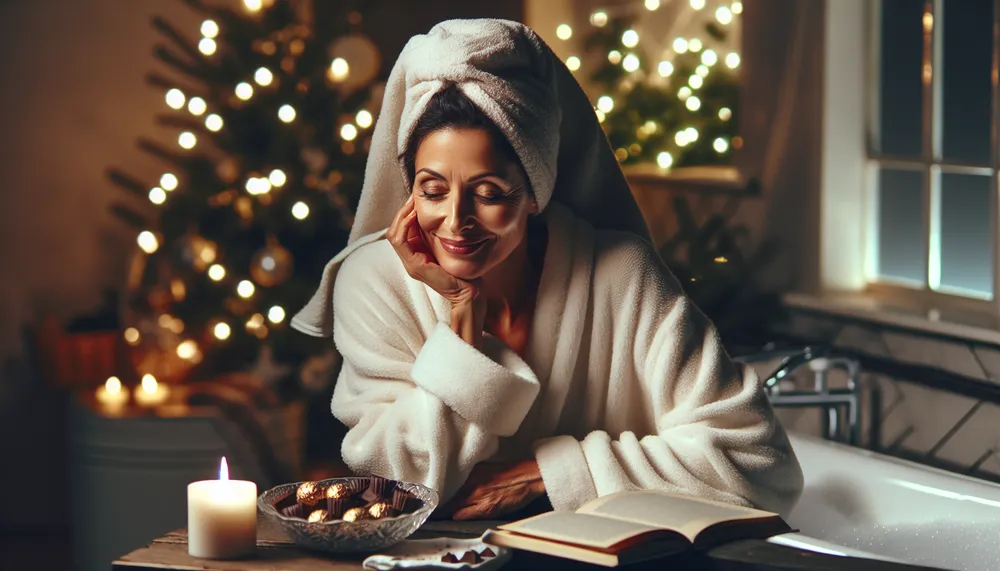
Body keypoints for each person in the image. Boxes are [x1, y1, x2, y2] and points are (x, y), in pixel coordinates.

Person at [291, 19, 803, 522]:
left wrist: (554, 472)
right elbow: (396, 484)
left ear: (537, 191)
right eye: (432, 189)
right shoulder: (373, 282)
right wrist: (463, 324)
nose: (455, 221)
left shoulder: (621, 276)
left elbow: (762, 465)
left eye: (490, 193)